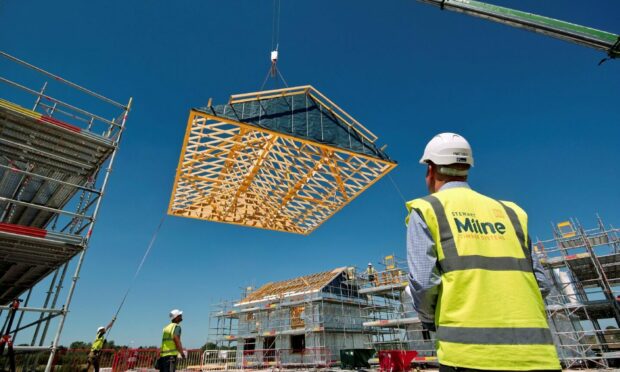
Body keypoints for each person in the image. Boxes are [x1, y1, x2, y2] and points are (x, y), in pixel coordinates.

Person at [405, 133, 561, 371]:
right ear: (467, 166)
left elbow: (425, 283)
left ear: (430, 168)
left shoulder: (428, 209)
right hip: (536, 354)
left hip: (467, 355)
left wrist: (429, 320)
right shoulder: (512, 213)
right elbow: (542, 283)